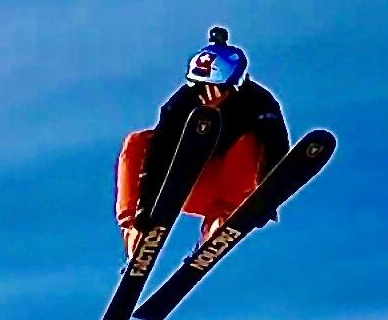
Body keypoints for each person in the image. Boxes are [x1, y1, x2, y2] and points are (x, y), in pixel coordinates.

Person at [116, 27, 291, 255]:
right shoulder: (179, 104)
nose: (209, 94)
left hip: (232, 189)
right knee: (137, 141)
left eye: (217, 89)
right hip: (182, 185)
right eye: (201, 87)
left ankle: (218, 222)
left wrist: (268, 200)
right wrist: (144, 213)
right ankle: (134, 232)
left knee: (249, 141)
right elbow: (157, 155)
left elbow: (277, 145)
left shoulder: (259, 103)